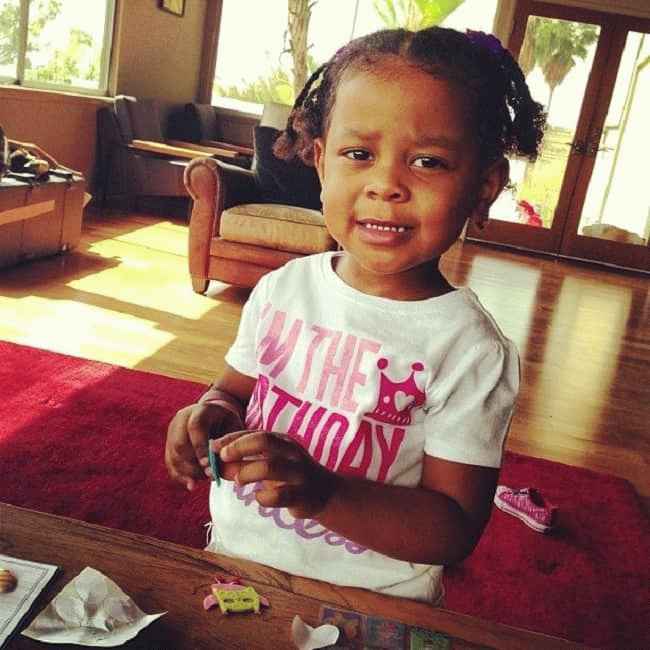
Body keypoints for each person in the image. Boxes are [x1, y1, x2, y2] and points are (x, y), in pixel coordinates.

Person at [165, 25, 545, 604]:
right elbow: (233, 391)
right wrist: (210, 415)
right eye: (359, 154)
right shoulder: (282, 289)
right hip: (239, 565)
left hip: (371, 600)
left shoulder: (470, 349)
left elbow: (453, 528)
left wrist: (325, 495)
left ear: (485, 184)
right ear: (321, 162)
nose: (385, 185)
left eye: (428, 161)